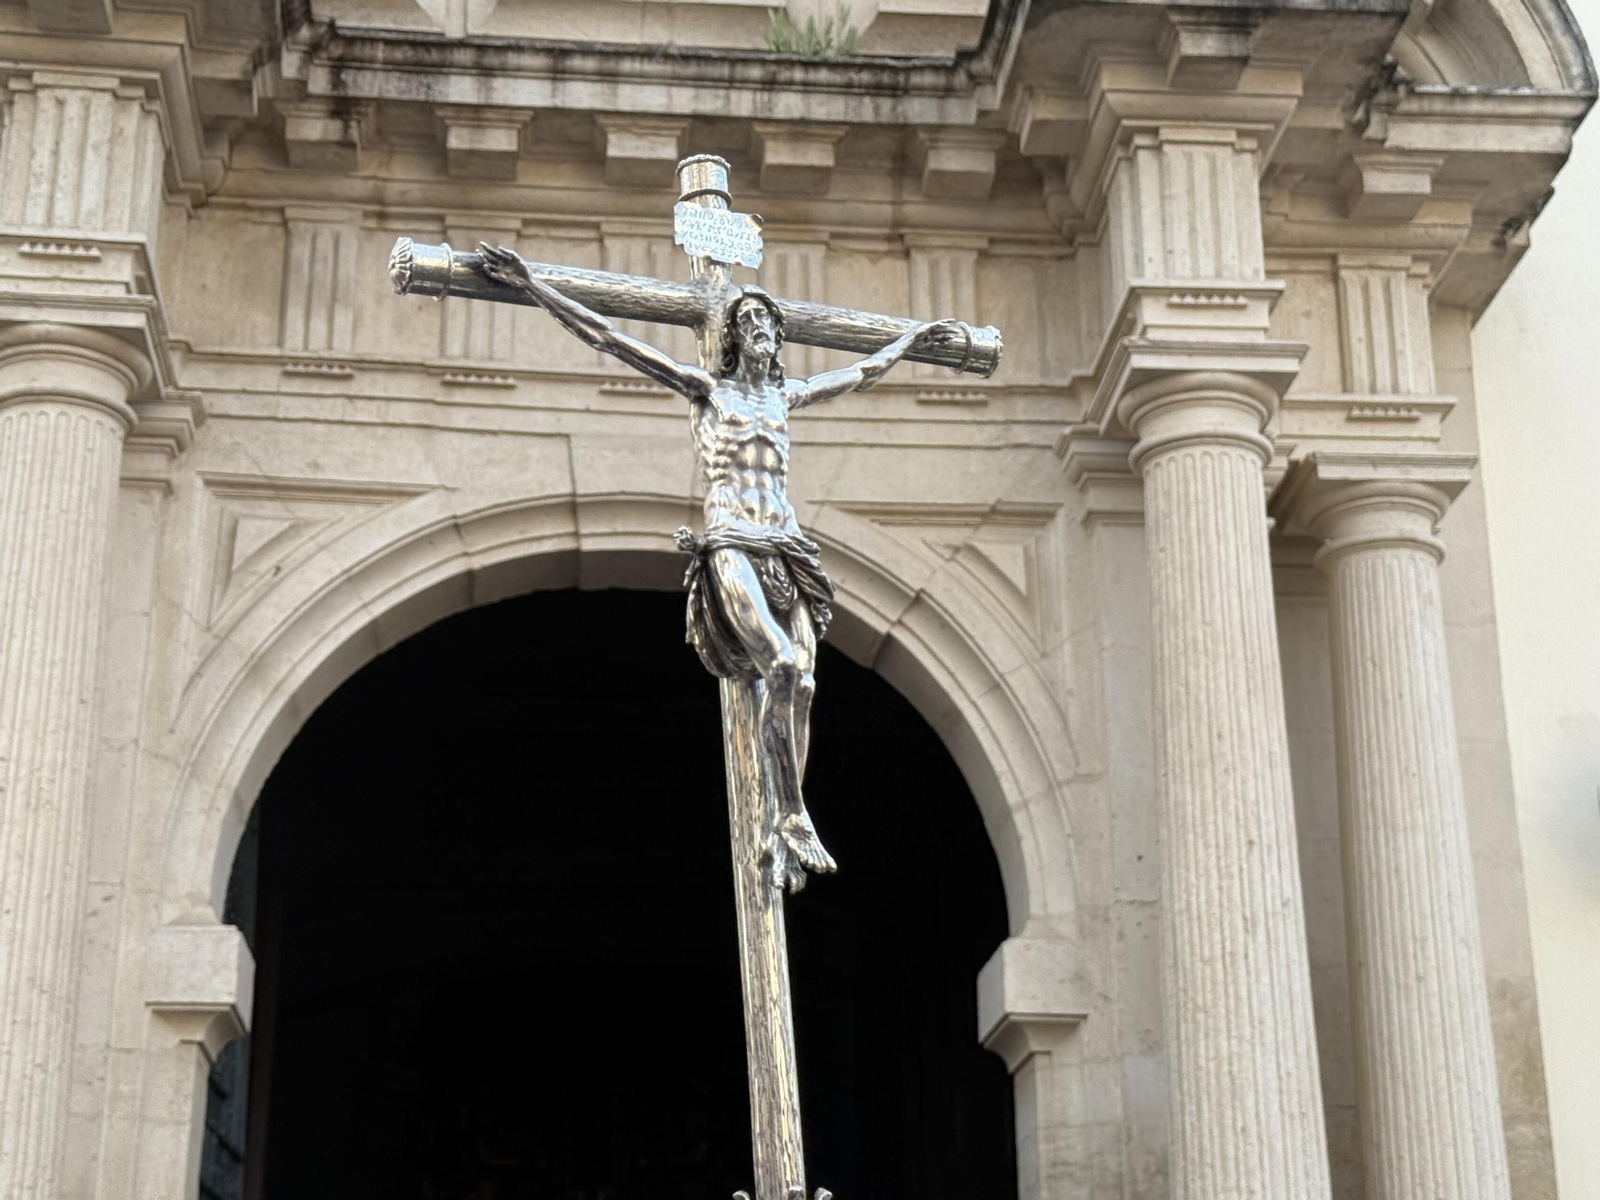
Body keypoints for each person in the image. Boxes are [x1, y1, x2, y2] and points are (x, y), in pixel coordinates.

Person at [477, 243, 965, 890]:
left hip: (785, 546)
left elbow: (861, 374)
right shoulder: (710, 390)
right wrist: (534, 284)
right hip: (732, 538)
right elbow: (610, 337)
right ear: (734, 338)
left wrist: (911, 341)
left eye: (768, 325)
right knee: (784, 665)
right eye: (749, 325)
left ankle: (783, 817)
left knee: (808, 684)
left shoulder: (787, 397)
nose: (761, 332)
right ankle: (791, 814)